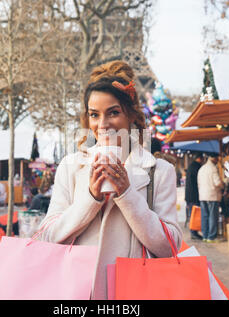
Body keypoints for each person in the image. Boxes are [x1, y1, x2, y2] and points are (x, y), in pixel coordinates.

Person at [36, 60, 183, 300]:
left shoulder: (159, 171)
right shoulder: (71, 168)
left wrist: (127, 195)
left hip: (135, 293)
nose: (102, 125)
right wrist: (90, 198)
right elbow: (48, 236)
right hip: (79, 293)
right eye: (94, 115)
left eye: (113, 112)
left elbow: (170, 246)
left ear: (131, 116)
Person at [197, 155, 224, 243]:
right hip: (212, 195)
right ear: (214, 158)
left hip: (202, 195)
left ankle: (205, 235)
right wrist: (222, 184)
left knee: (204, 216)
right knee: (212, 216)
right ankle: (211, 237)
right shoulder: (213, 168)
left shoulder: (202, 169)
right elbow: (217, 183)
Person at [184, 153, 204, 240]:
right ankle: (193, 232)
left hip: (190, 195)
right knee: (194, 214)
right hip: (194, 195)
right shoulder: (196, 167)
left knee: (193, 213)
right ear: (199, 158)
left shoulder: (191, 166)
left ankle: (194, 232)